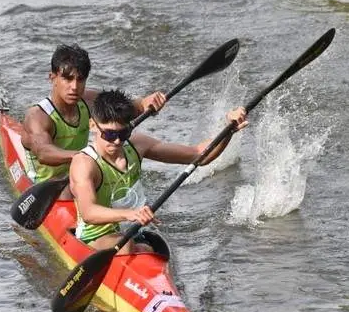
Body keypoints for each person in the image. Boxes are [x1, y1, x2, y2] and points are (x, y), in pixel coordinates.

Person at [70, 88, 248, 254]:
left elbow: (199, 155)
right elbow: (89, 212)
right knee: (128, 248)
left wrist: (229, 129)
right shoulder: (84, 164)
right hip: (96, 238)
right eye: (109, 135)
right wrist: (130, 214)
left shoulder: (137, 146)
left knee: (158, 247)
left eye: (123, 135)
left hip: (133, 230)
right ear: (93, 125)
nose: (116, 142)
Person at [21, 44, 166, 188]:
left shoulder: (89, 100)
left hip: (80, 173)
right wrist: (86, 156)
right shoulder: (38, 116)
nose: (75, 87)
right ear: (52, 78)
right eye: (68, 79)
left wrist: (146, 102)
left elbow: (130, 108)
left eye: (81, 79)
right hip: (44, 184)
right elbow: (44, 153)